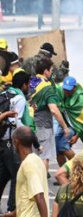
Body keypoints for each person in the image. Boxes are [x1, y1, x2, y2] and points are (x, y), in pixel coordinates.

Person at [0, 71, 33, 217]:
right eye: (28, 84)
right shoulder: (19, 98)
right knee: (16, 176)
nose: (29, 87)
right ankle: (10, 209)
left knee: (3, 174)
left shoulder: (5, 93)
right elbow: (16, 121)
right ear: (24, 84)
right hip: (11, 142)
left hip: (1, 141)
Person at [30, 57, 70, 171]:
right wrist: (65, 126)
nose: (52, 72)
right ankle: (42, 187)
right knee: (44, 157)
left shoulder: (30, 82)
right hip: (43, 126)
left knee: (33, 157)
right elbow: (53, 109)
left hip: (28, 125)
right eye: (51, 70)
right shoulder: (47, 87)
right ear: (46, 71)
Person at [13, 126, 48, 217]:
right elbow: (27, 194)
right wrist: (14, 213)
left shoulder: (28, 164)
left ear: (16, 141)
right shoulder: (37, 160)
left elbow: (39, 196)